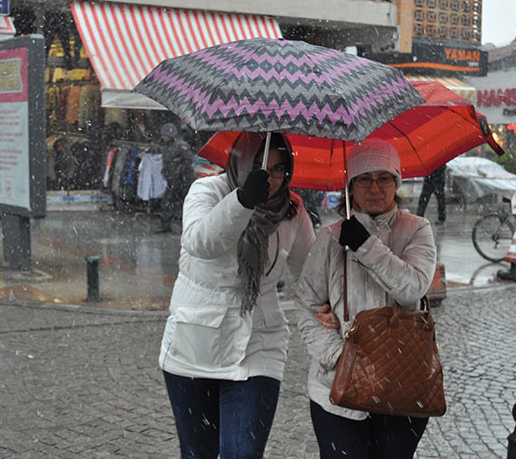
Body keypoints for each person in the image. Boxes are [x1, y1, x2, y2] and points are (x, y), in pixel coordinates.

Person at [159, 132, 316, 459]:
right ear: (240, 160)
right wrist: (242, 200)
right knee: (197, 453)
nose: (269, 178)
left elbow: (310, 279)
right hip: (195, 342)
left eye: (278, 169)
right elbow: (201, 242)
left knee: (243, 454)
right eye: (260, 166)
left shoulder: (293, 211)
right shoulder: (207, 190)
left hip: (259, 345)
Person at [294, 139, 437, 459]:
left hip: (404, 388)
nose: (375, 187)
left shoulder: (417, 230)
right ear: (351, 186)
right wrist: (339, 355)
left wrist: (365, 245)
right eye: (364, 178)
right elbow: (305, 305)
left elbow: (412, 288)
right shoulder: (330, 238)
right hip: (337, 393)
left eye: (384, 177)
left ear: (396, 183)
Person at [157, 123, 195, 233]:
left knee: (185, 204)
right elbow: (167, 163)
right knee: (167, 203)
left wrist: (178, 172)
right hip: (173, 180)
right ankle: (165, 226)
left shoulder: (181, 145)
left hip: (184, 180)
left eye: (166, 136)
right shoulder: (168, 146)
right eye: (163, 135)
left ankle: (188, 227)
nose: (164, 138)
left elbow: (188, 161)